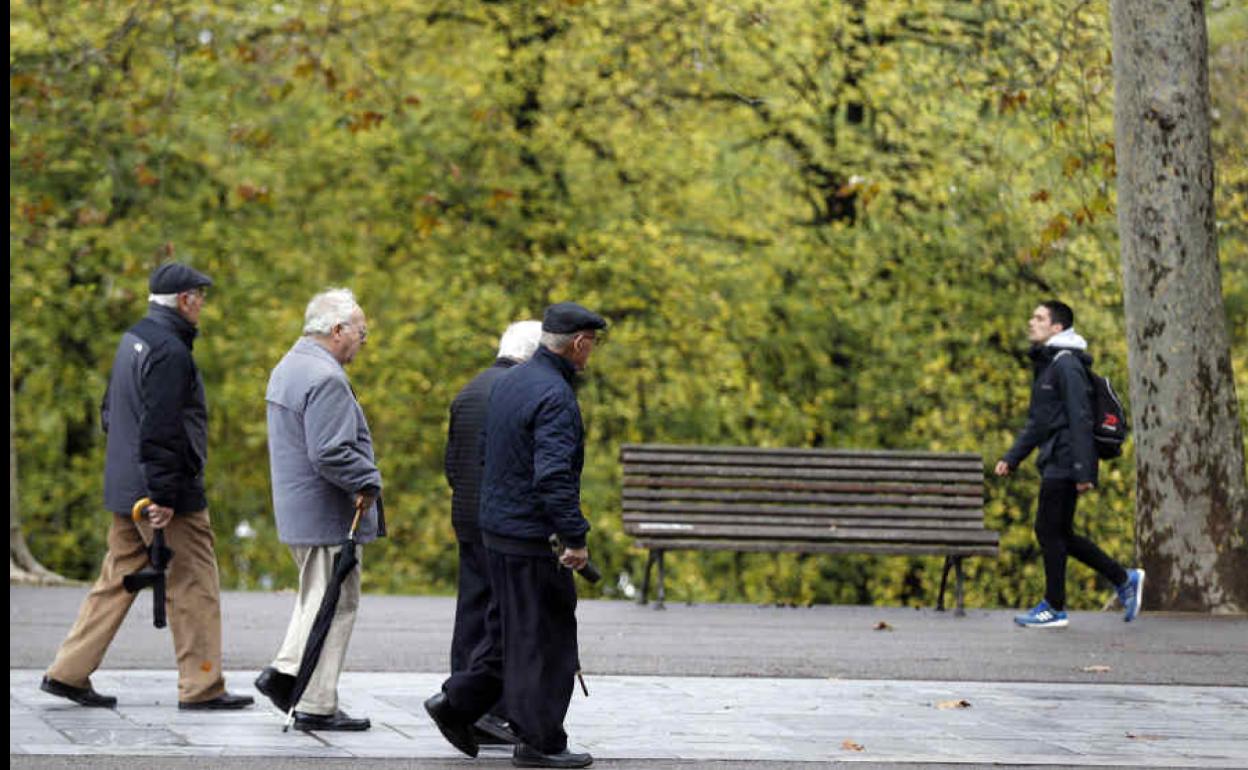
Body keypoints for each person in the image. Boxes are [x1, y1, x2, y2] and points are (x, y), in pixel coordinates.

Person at [41, 263, 254, 711]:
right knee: (194, 583)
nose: (203, 304)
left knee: (116, 580)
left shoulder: (133, 339)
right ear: (184, 300)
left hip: (127, 486)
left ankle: (68, 671)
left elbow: (109, 412)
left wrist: (135, 480)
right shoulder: (170, 352)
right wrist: (163, 494)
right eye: (200, 295)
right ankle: (202, 686)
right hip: (162, 494)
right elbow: (162, 429)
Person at [426, 302, 606, 770]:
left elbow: (485, 457)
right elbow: (553, 478)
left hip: (497, 532)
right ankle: (540, 741)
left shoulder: (509, 384)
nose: (593, 354)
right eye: (594, 344)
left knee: (508, 633)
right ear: (580, 342)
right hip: (532, 538)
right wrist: (574, 537)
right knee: (545, 640)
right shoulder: (556, 396)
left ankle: (456, 704)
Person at [254, 288, 383, 732]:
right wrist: (368, 480)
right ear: (337, 330)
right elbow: (330, 452)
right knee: (336, 603)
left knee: (317, 598)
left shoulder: (289, 366)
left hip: (300, 511)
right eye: (361, 333)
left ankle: (288, 675)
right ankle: (313, 699)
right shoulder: (325, 377)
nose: (363, 341)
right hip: (327, 514)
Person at [995, 300, 1144, 628]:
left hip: (1065, 460)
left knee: (1048, 530)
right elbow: (1039, 422)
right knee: (1060, 532)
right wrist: (1012, 457)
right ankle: (1123, 577)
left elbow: (1080, 417)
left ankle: (1054, 606)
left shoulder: (1066, 365)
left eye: (1039, 318)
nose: (1031, 322)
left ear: (1057, 327)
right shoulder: (1050, 365)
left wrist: (1083, 470)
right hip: (1057, 458)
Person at [444, 320, 543, 746]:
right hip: (500, 523)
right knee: (504, 618)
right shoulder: (516, 393)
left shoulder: (469, 389)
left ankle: (462, 702)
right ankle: (487, 709)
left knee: (471, 612)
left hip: (466, 515)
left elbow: (452, 460)